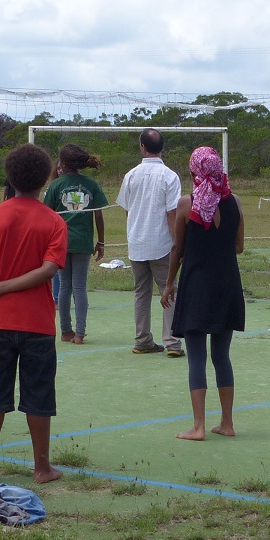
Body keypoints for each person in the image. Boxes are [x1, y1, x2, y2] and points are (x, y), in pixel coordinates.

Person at [0, 143, 68, 484]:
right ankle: (42, 468)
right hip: (38, 325)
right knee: (39, 396)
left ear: (9, 177)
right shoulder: (54, 221)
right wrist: (6, 287)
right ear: (47, 178)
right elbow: (49, 270)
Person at [162, 147, 245, 439]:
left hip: (197, 285)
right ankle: (227, 423)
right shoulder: (235, 201)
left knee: (196, 357)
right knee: (222, 356)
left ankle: (198, 426)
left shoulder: (187, 204)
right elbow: (239, 246)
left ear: (193, 170)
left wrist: (169, 283)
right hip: (227, 285)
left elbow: (177, 249)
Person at [116, 128, 183, 357]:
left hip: (137, 243)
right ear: (162, 148)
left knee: (141, 293)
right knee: (169, 289)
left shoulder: (131, 175)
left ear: (142, 147)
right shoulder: (170, 176)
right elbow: (172, 213)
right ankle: (172, 342)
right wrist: (177, 243)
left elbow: (127, 210)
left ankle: (142, 339)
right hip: (162, 243)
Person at [44, 144, 107, 344]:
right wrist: (101, 242)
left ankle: (66, 331)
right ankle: (80, 333)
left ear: (62, 163)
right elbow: (98, 215)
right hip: (83, 242)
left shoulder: (56, 185)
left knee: (64, 286)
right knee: (79, 286)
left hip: (60, 242)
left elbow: (46, 216)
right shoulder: (91, 184)